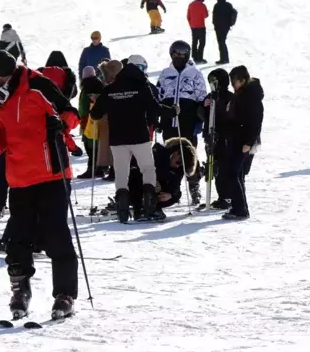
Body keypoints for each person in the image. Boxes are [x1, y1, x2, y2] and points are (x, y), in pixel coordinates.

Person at [0, 50, 78, 321]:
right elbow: (2, 139)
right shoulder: (0, 100)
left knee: (56, 234)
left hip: (51, 173)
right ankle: (20, 290)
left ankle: (65, 295)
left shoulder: (37, 85)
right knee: (17, 239)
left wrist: (59, 124)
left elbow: (71, 113)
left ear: (4, 75)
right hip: (20, 179)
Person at [91, 54, 179, 223]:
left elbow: (95, 114)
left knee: (122, 173)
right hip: (139, 136)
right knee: (147, 169)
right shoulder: (141, 86)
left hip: (117, 139)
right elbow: (156, 108)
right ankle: (148, 208)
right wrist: (173, 111)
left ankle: (123, 211)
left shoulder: (111, 87)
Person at [156, 41, 208, 205]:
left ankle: (194, 188)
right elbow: (158, 97)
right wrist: (157, 118)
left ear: (187, 55)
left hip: (187, 120)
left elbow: (201, 97)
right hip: (168, 122)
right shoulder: (165, 74)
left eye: (182, 55)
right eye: (176, 54)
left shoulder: (195, 74)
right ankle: (170, 190)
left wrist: (200, 119)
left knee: (188, 156)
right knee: (168, 157)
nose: (179, 57)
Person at [223, 66, 263, 221]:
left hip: (244, 140)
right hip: (236, 138)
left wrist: (249, 142)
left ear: (243, 80)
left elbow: (256, 121)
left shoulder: (251, 95)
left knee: (233, 173)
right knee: (236, 174)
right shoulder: (241, 93)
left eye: (235, 82)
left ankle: (240, 210)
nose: (233, 85)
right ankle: (238, 206)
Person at [129, 137, 196, 220]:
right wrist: (152, 181)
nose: (177, 166)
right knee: (136, 175)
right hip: (140, 185)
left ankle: (153, 207)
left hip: (156, 192)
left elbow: (176, 185)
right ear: (176, 153)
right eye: (178, 162)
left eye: (181, 166)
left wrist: (170, 194)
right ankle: (137, 205)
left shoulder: (178, 169)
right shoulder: (159, 153)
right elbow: (139, 168)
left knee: (177, 195)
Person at [198, 68, 235, 209]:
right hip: (211, 137)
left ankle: (228, 196)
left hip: (224, 138)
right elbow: (202, 114)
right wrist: (204, 106)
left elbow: (229, 115)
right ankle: (222, 196)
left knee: (225, 167)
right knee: (214, 166)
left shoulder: (229, 97)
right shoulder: (210, 96)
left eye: (214, 82)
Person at [96, 60, 123, 182]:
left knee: (114, 147)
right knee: (111, 146)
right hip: (110, 120)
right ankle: (112, 169)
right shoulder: (112, 86)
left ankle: (114, 170)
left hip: (113, 120)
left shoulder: (112, 88)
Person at [77, 66, 105, 179]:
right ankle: (99, 168)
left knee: (89, 145)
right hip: (99, 118)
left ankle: (92, 169)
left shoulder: (86, 87)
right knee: (96, 144)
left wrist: (80, 116)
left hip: (88, 119)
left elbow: (83, 106)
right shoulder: (100, 84)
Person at [212, 0, 236, 65]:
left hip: (219, 27)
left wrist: (214, 25)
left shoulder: (217, 5)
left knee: (221, 42)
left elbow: (214, 16)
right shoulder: (228, 5)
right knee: (222, 42)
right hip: (226, 27)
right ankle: (224, 58)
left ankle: (224, 59)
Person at [187, 0, 209, 64]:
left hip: (193, 27)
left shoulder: (191, 4)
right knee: (202, 43)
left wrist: (191, 25)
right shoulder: (202, 5)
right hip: (201, 26)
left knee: (194, 42)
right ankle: (199, 58)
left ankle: (194, 56)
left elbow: (188, 16)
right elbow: (206, 15)